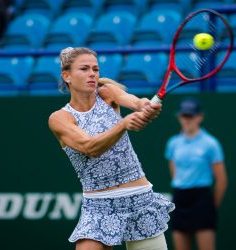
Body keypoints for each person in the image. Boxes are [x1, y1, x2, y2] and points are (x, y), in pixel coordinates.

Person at [48, 47, 175, 250]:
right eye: (84, 69)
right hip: (98, 207)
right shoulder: (60, 118)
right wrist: (123, 124)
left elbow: (135, 101)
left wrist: (145, 106)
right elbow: (90, 147)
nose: (92, 74)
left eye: (95, 69)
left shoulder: (106, 93)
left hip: (139, 199)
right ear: (67, 76)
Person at [164, 98, 228, 250]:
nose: (187, 120)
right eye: (184, 116)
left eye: (191, 116)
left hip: (202, 200)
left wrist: (211, 206)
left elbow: (222, 180)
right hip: (180, 199)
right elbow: (174, 172)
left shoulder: (211, 143)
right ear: (179, 117)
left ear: (199, 117)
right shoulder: (173, 143)